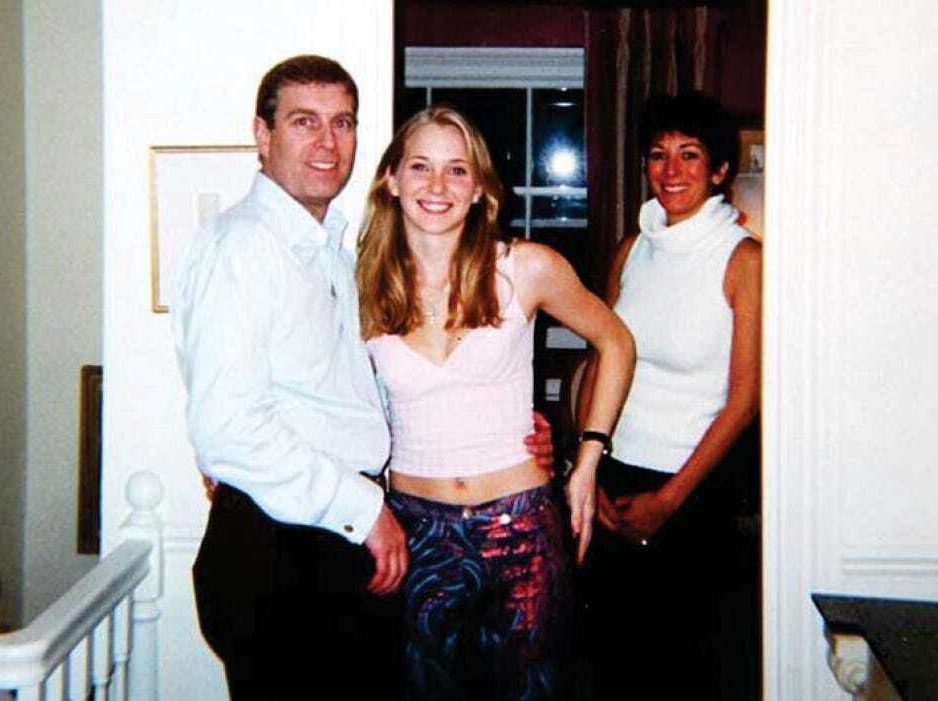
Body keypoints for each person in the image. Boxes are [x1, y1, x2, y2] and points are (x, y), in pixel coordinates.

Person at [173, 55, 554, 700]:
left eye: (342, 123)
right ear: (262, 136)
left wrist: (515, 429)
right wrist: (365, 509)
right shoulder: (242, 246)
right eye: (304, 122)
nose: (327, 142)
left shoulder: (337, 252)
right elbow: (227, 428)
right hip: (283, 548)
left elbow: (359, 392)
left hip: (336, 541)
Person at [356, 105, 635, 700]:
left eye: (457, 170)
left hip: (522, 530)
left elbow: (616, 342)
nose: (437, 185)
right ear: (391, 180)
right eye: (420, 166)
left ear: (480, 189)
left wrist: (587, 460)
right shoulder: (361, 285)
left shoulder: (525, 268)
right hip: (415, 533)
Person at [576, 92, 763, 699]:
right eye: (658, 155)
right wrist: (588, 470)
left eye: (690, 154)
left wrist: (670, 500)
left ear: (720, 170)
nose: (671, 170)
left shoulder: (744, 260)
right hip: (614, 476)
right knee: (612, 666)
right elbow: (600, 360)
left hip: (694, 490)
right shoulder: (632, 249)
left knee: (684, 673)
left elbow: (746, 398)